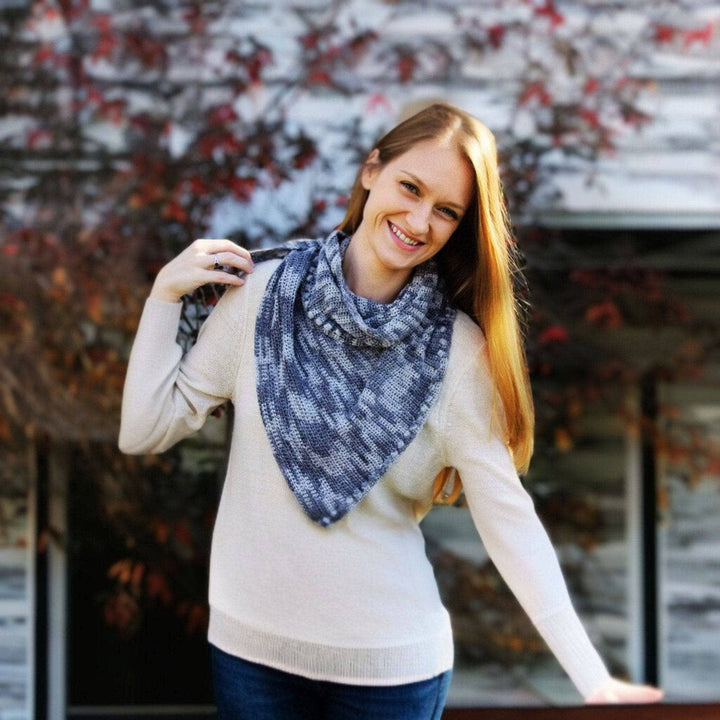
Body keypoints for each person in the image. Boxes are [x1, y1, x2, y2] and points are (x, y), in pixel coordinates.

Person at [119, 102, 663, 719]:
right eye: (411, 187)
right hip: (250, 653)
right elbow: (144, 430)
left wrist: (591, 677)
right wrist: (165, 293)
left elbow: (508, 519)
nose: (419, 219)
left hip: (388, 673)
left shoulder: (457, 353)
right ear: (371, 170)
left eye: (446, 210)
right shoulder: (263, 298)